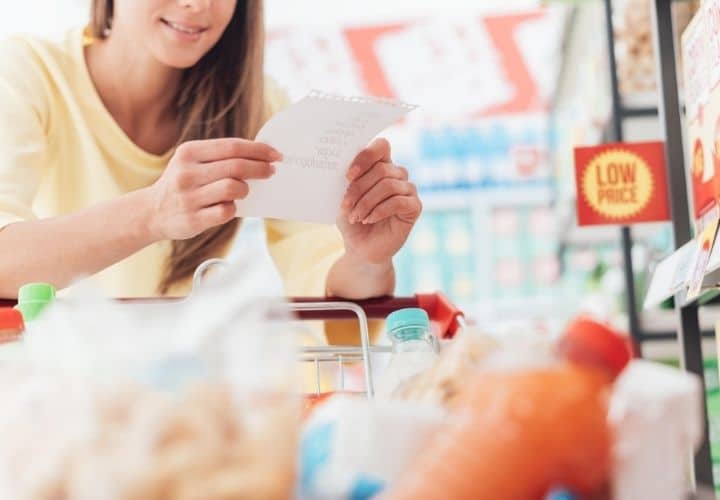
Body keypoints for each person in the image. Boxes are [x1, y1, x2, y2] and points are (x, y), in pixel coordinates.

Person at [0, 0, 422, 342]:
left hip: (169, 401)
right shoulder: (28, 73)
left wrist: (366, 258)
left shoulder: (256, 104)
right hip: (47, 393)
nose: (197, 5)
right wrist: (153, 213)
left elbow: (334, 309)